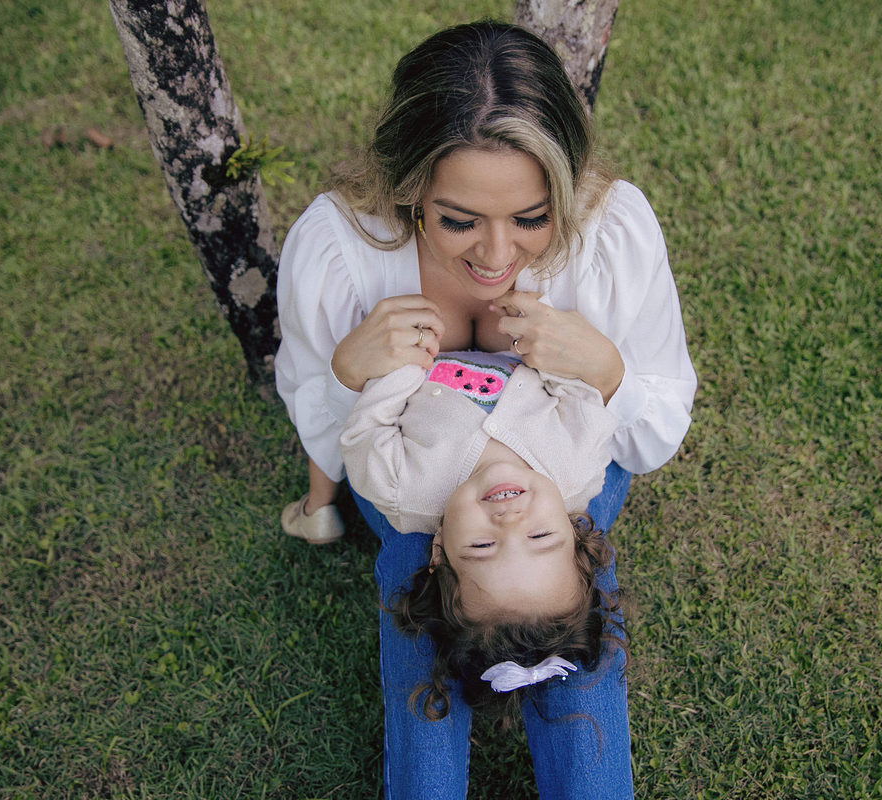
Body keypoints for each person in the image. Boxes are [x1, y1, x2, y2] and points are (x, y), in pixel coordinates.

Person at [274, 20, 696, 799]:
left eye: (533, 219)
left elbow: (653, 427)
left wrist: (605, 370)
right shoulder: (337, 251)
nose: (497, 259)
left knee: (565, 624)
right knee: (415, 578)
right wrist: (347, 371)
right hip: (410, 464)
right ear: (408, 187)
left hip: (561, 475)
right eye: (459, 220)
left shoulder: (613, 233)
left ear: (565, 188)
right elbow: (328, 428)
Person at [340, 348, 623, 721]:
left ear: (438, 551)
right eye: (539, 537)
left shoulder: (402, 492)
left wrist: (406, 364)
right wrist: (539, 345)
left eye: (483, 545)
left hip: (419, 338)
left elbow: (366, 426)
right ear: (573, 530)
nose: (509, 521)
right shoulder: (579, 470)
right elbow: (582, 388)